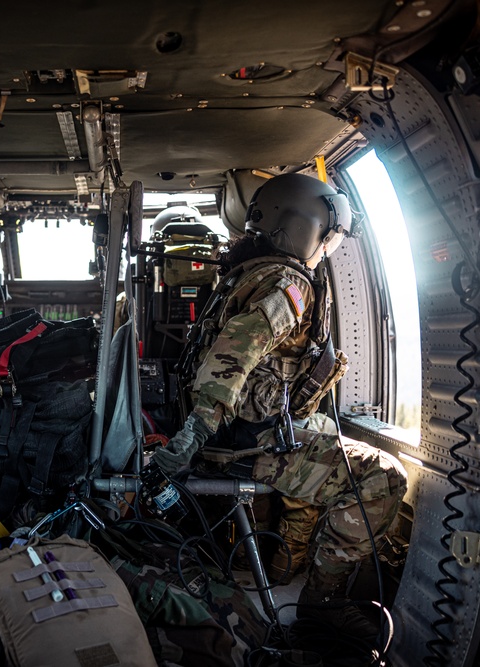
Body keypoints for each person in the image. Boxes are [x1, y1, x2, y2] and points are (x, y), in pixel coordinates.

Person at [152, 172, 408, 637]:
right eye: (328, 239)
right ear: (306, 226)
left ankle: (287, 562)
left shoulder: (245, 274)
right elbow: (238, 348)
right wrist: (198, 430)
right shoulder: (289, 282)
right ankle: (323, 602)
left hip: (235, 438)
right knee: (383, 477)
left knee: (328, 435)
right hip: (248, 448)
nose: (327, 249)